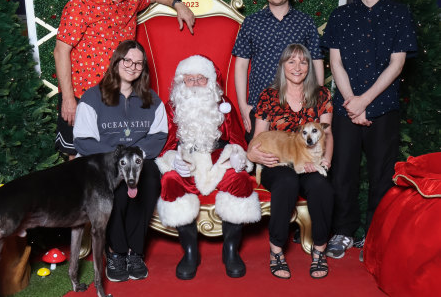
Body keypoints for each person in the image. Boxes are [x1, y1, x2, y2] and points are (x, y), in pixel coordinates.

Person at [321, 0, 417, 260]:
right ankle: (343, 232)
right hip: (348, 105)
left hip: (384, 106)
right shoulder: (340, 15)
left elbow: (397, 64)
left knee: (381, 173)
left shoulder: (399, 13)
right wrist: (353, 104)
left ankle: (374, 236)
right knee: (343, 171)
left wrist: (365, 101)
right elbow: (335, 62)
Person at [54, 0, 194, 158]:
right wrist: (68, 99)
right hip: (83, 95)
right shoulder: (80, 5)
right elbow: (60, 52)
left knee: (115, 158)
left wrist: (178, 4)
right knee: (79, 158)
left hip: (117, 96)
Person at [155, 55, 261, 280]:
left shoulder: (224, 106)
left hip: (218, 162)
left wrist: (237, 156)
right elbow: (167, 145)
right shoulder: (171, 108)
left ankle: (230, 250)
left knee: (240, 180)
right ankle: (190, 252)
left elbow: (237, 141)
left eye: (200, 79)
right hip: (188, 162)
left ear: (210, 81)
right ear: (181, 83)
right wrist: (173, 160)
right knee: (170, 181)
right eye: (189, 79)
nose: (194, 84)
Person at [73, 40, 168, 282]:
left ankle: (135, 253)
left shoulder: (152, 100)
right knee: (118, 190)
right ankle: (116, 252)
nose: (133, 66)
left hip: (139, 160)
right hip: (103, 162)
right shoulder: (93, 97)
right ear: (116, 62)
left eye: (138, 63)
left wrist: (134, 158)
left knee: (148, 180)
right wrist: (117, 159)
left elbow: (159, 136)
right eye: (127, 60)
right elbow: (83, 139)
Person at [247, 43, 334, 279]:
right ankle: (276, 250)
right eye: (291, 61)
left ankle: (319, 251)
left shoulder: (321, 95)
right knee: (286, 182)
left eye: (303, 61)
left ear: (309, 66)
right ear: (282, 66)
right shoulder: (269, 95)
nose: (298, 67)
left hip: (310, 160)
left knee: (321, 186)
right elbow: (257, 139)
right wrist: (252, 155)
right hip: (277, 162)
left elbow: (328, 133)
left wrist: (324, 163)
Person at [232, 0, 324, 143]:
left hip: (299, 107)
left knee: (299, 161)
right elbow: (241, 65)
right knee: (262, 161)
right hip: (260, 107)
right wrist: (243, 105)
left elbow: (316, 61)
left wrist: (317, 102)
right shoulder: (251, 22)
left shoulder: (305, 22)